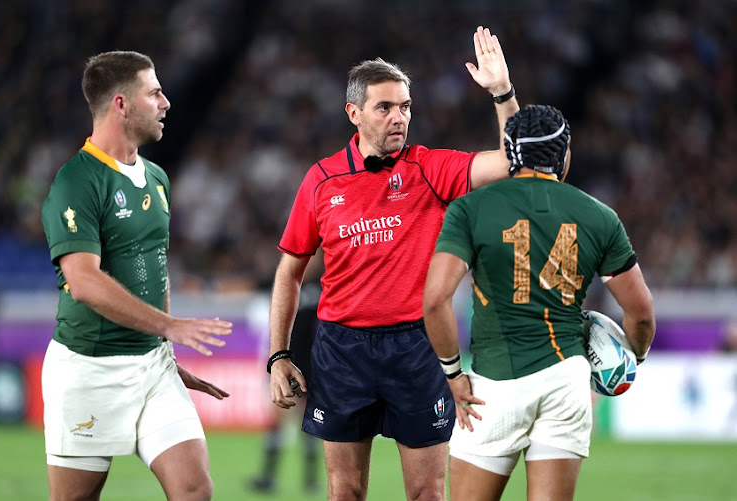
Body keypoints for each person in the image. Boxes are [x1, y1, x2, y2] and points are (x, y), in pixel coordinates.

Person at [267, 26, 519, 501]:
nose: (399, 117)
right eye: (385, 107)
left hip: (418, 348)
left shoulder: (430, 167)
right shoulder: (320, 180)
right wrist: (279, 354)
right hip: (341, 350)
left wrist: (502, 93)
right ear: (354, 113)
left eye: (405, 106)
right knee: (344, 493)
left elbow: (513, 159)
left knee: (428, 493)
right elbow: (290, 272)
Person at [422, 104, 656, 501]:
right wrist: (630, 359)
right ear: (563, 155)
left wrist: (452, 373)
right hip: (567, 379)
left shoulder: (471, 208)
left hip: (494, 383)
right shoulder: (599, 216)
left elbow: (435, 300)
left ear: (510, 154)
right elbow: (642, 315)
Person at [40, 51, 233, 501]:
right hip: (89, 370)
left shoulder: (158, 178)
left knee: (194, 488)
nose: (166, 102)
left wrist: (162, 346)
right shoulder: (77, 182)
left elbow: (155, 267)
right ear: (121, 104)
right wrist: (169, 325)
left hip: (153, 367)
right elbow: (84, 281)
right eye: (155, 93)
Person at [249, 255, 322, 494]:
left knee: (309, 424)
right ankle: (268, 476)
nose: (311, 263)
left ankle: (311, 480)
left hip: (312, 366)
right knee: (277, 421)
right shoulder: (282, 283)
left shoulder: (322, 286)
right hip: (284, 363)